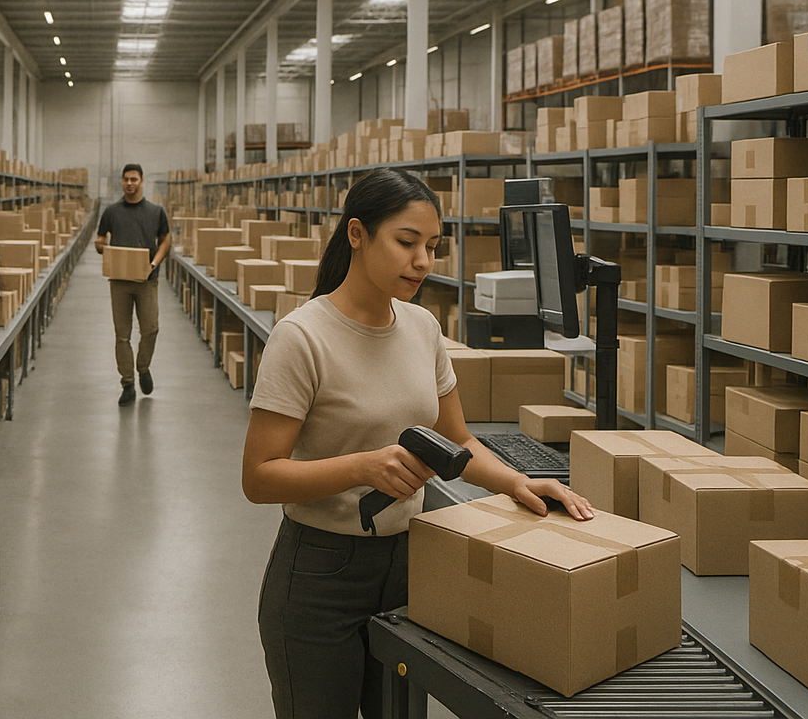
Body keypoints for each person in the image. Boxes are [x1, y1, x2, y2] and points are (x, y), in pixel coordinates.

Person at [241, 168, 594, 719]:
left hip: (410, 564)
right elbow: (259, 476)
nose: (423, 261)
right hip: (318, 574)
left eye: (432, 246)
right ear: (357, 234)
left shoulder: (423, 328)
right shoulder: (302, 337)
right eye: (407, 243)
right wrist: (362, 467)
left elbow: (457, 442)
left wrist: (519, 483)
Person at [94, 163, 172, 406]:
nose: (130, 183)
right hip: (119, 282)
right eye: (126, 179)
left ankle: (143, 367)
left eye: (134, 179)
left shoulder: (155, 211)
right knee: (122, 335)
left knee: (151, 328)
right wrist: (105, 250)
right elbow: (99, 239)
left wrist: (154, 263)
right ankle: (127, 383)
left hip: (146, 280)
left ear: (142, 181)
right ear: (121, 182)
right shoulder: (111, 212)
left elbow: (166, 239)